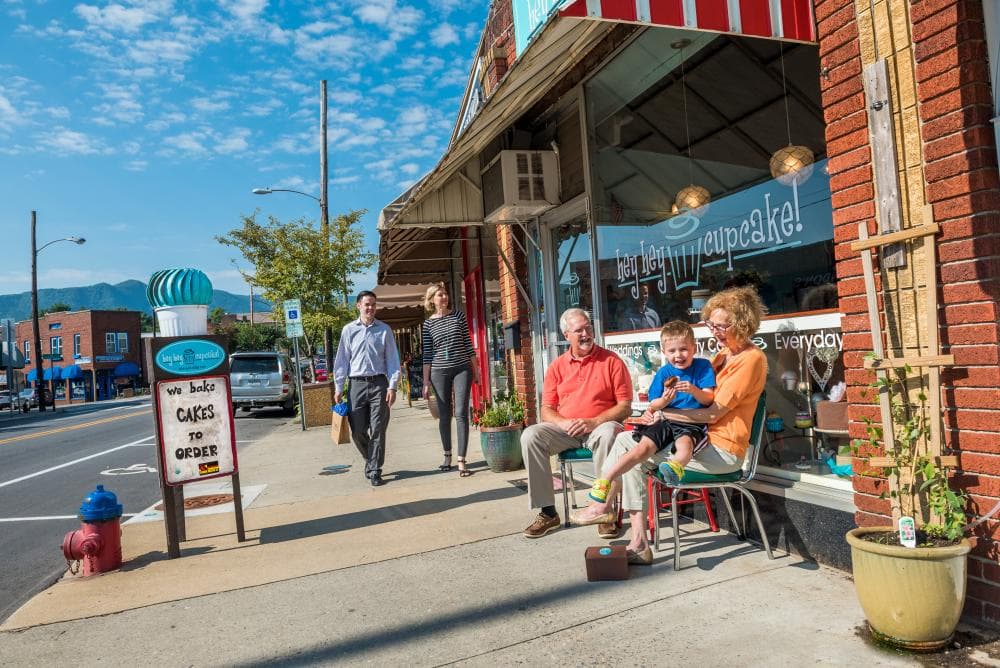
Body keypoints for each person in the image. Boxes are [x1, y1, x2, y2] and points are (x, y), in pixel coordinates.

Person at [571, 286, 768, 564]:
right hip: (702, 442)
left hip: (722, 451)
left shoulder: (751, 359)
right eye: (711, 323)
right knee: (628, 441)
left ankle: (620, 522)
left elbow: (711, 414)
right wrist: (656, 411)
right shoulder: (722, 356)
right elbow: (690, 401)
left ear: (741, 323)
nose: (714, 330)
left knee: (630, 447)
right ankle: (617, 518)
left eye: (720, 325)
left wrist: (666, 415)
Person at [520, 308, 632, 539]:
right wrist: (563, 423)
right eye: (578, 330)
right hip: (567, 430)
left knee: (609, 433)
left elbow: (625, 406)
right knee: (531, 436)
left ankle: (605, 509)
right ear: (566, 335)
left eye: (588, 328)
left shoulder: (611, 361)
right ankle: (548, 512)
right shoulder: (557, 366)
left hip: (600, 426)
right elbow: (546, 409)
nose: (585, 333)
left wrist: (594, 421)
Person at [582, 320, 716, 509]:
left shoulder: (703, 366)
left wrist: (694, 391)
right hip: (666, 419)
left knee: (685, 444)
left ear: (694, 348)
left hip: (692, 421)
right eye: (672, 351)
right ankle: (605, 480)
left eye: (683, 349)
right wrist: (665, 401)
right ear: (664, 352)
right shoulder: (664, 372)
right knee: (641, 448)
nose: (678, 355)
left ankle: (675, 467)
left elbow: (709, 398)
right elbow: (654, 404)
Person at [333, 290, 401, 487]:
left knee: (378, 429)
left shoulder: (384, 330)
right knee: (358, 431)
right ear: (358, 306)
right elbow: (342, 361)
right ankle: (370, 460)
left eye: (373, 304)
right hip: (356, 385)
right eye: (366, 304)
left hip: (379, 383)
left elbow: (393, 360)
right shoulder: (348, 330)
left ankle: (375, 470)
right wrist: (339, 387)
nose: (370, 308)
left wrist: (393, 386)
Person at [421, 282, 481, 477]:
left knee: (461, 412)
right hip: (439, 372)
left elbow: (468, 344)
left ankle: (462, 460)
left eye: (445, 293)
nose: (444, 297)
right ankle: (447, 455)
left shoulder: (458, 316)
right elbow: (427, 355)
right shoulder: (428, 324)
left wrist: (476, 370)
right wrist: (425, 381)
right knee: (444, 416)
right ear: (432, 300)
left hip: (462, 368)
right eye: (439, 295)